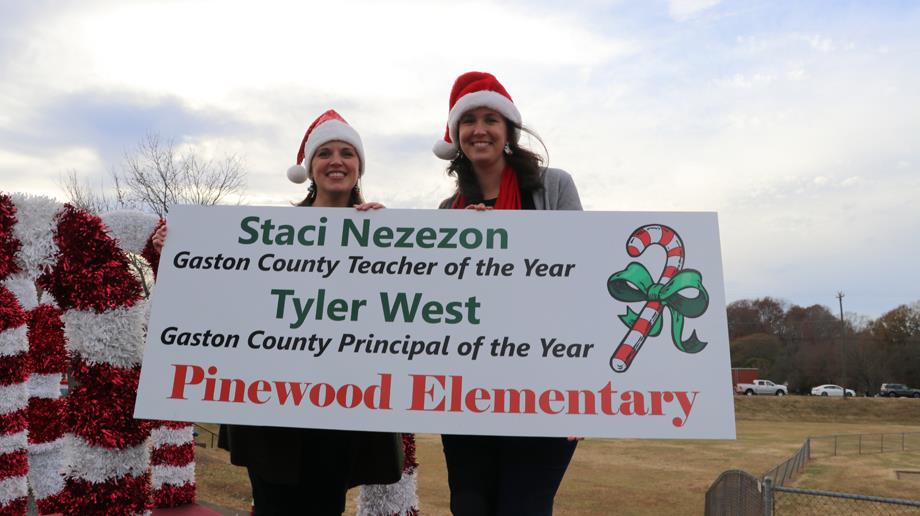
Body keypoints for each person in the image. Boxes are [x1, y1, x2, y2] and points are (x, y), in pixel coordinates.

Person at [152, 109, 403, 515]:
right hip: (270, 410)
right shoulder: (268, 232)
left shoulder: (382, 230)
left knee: (325, 506)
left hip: (339, 405)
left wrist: (392, 242)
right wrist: (179, 251)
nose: (335, 160)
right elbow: (222, 294)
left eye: (346, 152)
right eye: (324, 153)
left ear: (359, 167)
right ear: (309, 167)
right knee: (272, 505)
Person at [432, 71, 583, 516]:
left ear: (508, 131)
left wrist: (581, 393)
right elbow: (433, 303)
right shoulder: (447, 213)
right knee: (469, 505)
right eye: (469, 120)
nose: (480, 129)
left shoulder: (553, 187)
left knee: (524, 507)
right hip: (468, 392)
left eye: (491, 119)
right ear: (457, 136)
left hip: (545, 387)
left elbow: (580, 281)